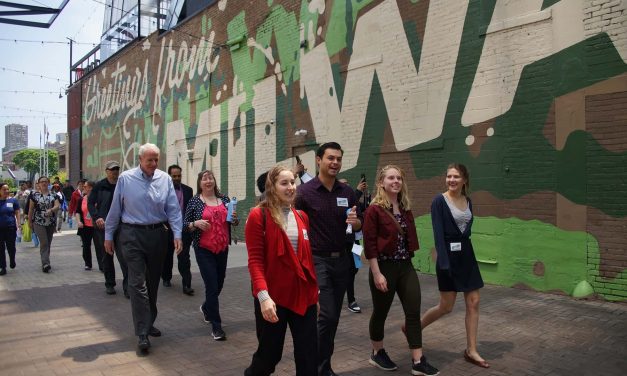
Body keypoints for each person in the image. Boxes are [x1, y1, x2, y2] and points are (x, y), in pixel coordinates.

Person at [104, 143, 183, 353]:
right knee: (137, 283)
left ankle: (149, 322)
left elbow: (173, 210)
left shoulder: (165, 179)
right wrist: (108, 236)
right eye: (150, 160)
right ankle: (142, 332)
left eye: (156, 159)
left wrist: (177, 234)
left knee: (152, 283)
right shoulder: (126, 179)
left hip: (157, 235)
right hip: (131, 235)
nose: (154, 164)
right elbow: (115, 210)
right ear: (140, 160)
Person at [362, 165, 439, 375]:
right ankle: (377, 353)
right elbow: (369, 245)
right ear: (381, 183)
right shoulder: (374, 210)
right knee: (381, 312)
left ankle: (418, 360)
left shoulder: (405, 208)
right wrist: (377, 273)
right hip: (384, 267)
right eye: (391, 178)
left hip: (405, 266)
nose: (396, 181)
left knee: (413, 311)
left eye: (399, 178)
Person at [295, 142, 362, 376]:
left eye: (338, 159)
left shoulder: (348, 192)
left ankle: (323, 365)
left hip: (342, 261)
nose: (335, 163)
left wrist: (357, 224)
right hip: (317, 260)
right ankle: (316, 367)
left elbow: (359, 223)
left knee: (332, 319)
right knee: (327, 314)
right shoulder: (304, 193)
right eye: (330, 158)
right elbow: (293, 226)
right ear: (319, 160)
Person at [244, 166, 319, 376]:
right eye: (284, 183)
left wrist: (315, 294)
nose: (290, 187)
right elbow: (255, 261)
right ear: (272, 187)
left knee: (308, 356)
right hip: (273, 299)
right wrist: (263, 297)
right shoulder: (259, 215)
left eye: (293, 182)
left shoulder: (302, 217)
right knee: (269, 357)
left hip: (304, 296)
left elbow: (306, 261)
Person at [421, 163, 489, 369]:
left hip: (466, 256)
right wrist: (443, 262)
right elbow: (438, 233)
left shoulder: (468, 201)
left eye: (456, 177)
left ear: (464, 180)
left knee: (474, 301)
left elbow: (465, 231)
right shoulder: (439, 201)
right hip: (447, 256)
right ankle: (414, 328)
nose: (451, 180)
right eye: (449, 176)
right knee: (446, 306)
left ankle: (472, 350)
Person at [184, 169, 239, 341]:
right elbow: (185, 224)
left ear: (214, 181)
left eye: (210, 178)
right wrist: (196, 223)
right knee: (212, 286)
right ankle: (216, 327)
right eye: (204, 179)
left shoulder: (224, 199)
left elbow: (232, 221)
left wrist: (235, 218)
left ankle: (207, 308)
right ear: (200, 184)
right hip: (204, 249)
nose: (208, 181)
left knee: (219, 283)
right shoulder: (194, 202)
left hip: (222, 248)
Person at [89, 161, 128, 293]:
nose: (115, 171)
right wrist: (96, 217)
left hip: (121, 226)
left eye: (117, 169)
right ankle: (110, 284)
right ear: (106, 171)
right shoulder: (99, 186)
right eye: (112, 169)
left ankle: (128, 286)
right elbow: (90, 203)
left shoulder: (123, 184)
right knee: (107, 256)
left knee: (124, 257)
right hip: (103, 227)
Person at [162, 164, 194, 295]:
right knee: (167, 256)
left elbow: (191, 209)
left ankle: (187, 284)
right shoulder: (162, 190)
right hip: (167, 229)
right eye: (174, 176)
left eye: (179, 176)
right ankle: (166, 277)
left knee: (184, 258)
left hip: (184, 230)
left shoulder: (188, 190)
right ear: (169, 176)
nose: (177, 178)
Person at [28, 176, 60, 273]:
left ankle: (46, 261)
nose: (44, 183)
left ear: (48, 183)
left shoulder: (54, 195)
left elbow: (57, 205)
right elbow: (30, 209)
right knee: (44, 242)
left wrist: (51, 210)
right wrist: (29, 221)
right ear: (38, 184)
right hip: (38, 222)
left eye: (45, 181)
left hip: (50, 222)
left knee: (48, 243)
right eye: (42, 182)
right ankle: (45, 263)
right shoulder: (34, 195)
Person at [75, 181, 100, 271]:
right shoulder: (81, 199)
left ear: (91, 188)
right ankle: (88, 264)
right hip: (85, 226)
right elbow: (77, 212)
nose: (83, 187)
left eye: (85, 186)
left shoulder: (98, 199)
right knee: (86, 246)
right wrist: (78, 222)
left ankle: (102, 265)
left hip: (96, 226)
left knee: (99, 246)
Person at [0, 183, 20, 275]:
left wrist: (19, 224)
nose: (6, 191)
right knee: (1, 249)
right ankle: (2, 267)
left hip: (10, 228)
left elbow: (17, 212)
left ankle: (12, 259)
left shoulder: (13, 201)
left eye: (7, 189)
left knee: (11, 247)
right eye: (4, 189)